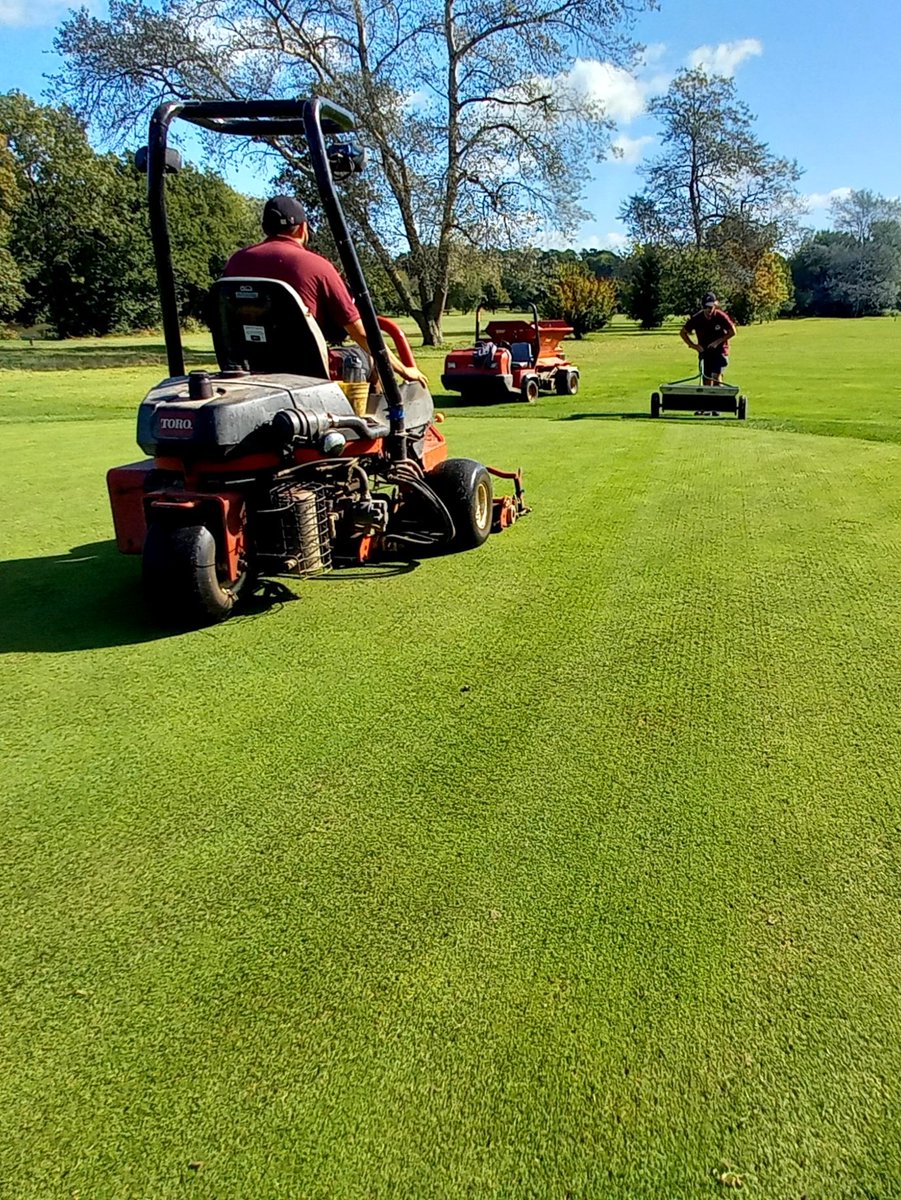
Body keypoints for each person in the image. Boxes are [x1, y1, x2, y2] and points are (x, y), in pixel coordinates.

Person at [222, 195, 428, 388]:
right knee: (366, 356)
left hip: (247, 370)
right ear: (302, 228)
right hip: (306, 373)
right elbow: (361, 333)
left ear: (266, 228)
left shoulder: (235, 263)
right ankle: (373, 420)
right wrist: (404, 370)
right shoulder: (316, 266)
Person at [680, 291, 736, 415]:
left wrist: (718, 341)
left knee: (716, 377)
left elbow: (733, 332)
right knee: (706, 379)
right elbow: (683, 332)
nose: (709, 310)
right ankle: (705, 406)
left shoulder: (720, 316)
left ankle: (717, 406)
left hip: (720, 351)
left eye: (711, 307)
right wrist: (694, 346)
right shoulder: (697, 318)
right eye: (706, 307)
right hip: (705, 352)